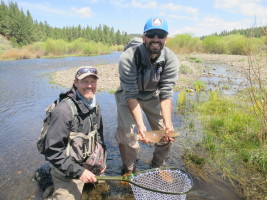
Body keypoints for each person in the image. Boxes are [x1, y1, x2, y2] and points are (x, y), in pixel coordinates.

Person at [115, 17, 179, 175]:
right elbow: (130, 94)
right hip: (128, 95)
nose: (156, 39)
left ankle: (158, 166)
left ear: (166, 39)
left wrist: (168, 123)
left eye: (160, 34)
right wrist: (141, 126)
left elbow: (166, 93)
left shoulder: (171, 59)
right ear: (144, 37)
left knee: (166, 134)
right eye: (151, 34)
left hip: (152, 95)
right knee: (126, 138)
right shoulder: (128, 57)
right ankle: (129, 169)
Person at [44, 66, 106, 200]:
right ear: (75, 83)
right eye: (84, 81)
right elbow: (52, 151)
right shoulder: (63, 111)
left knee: (104, 187)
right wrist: (80, 172)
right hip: (66, 170)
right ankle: (50, 186)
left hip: (89, 162)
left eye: (93, 81)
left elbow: (99, 137)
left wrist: (102, 160)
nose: (89, 85)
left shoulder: (95, 105)